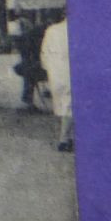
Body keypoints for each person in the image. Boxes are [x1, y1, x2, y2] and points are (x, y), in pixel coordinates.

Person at [40, 18, 73, 151]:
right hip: (69, 73)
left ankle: (67, 136)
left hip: (55, 74)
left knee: (61, 105)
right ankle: (63, 139)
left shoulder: (51, 30)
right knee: (69, 105)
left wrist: (50, 70)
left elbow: (44, 54)